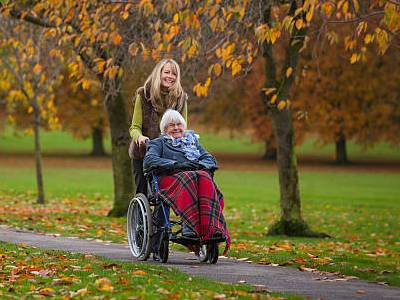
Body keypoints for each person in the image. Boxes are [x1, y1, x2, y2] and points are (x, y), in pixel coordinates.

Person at [143, 109, 230, 254]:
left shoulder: (193, 142)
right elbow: (149, 160)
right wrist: (176, 164)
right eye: (172, 125)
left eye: (179, 124)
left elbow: (210, 159)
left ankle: (212, 227)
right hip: (168, 182)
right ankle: (189, 226)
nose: (176, 128)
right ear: (165, 129)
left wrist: (200, 165)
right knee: (189, 176)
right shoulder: (158, 143)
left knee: (204, 176)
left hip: (193, 179)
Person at [129, 59, 188, 195]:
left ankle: (160, 217)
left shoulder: (180, 98)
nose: (170, 76)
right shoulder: (143, 95)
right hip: (143, 153)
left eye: (174, 74)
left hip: (168, 154)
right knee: (142, 192)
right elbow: (134, 127)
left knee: (163, 196)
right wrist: (140, 137)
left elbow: (183, 128)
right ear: (159, 73)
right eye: (167, 72)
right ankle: (139, 215)